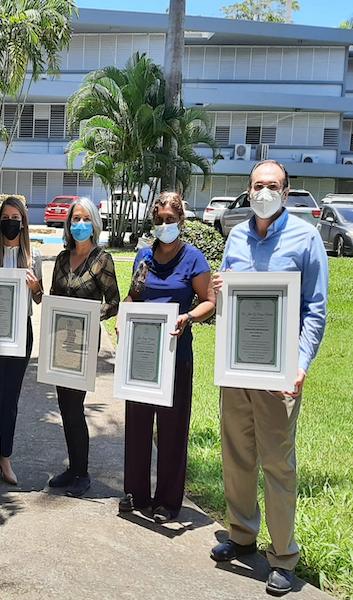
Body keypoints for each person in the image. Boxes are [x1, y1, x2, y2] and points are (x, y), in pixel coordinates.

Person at [211, 160, 328, 596]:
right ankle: (241, 535)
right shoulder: (237, 236)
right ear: (248, 188)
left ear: (287, 190)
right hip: (238, 366)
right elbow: (226, 298)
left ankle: (283, 557)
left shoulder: (306, 238)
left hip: (280, 375)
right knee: (237, 453)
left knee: (278, 464)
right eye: (258, 185)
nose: (264, 191)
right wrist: (220, 290)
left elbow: (315, 309)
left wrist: (300, 364)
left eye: (272, 185)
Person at [119, 192, 215, 523]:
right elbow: (134, 295)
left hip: (176, 356)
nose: (164, 225)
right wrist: (123, 318)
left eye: (170, 220)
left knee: (173, 429)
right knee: (137, 422)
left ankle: (167, 502)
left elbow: (209, 301)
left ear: (181, 222)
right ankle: (135, 492)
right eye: (158, 220)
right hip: (142, 355)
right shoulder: (143, 258)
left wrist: (188, 317)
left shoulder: (194, 259)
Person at [48, 197, 120, 497]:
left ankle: (83, 472)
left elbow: (113, 302)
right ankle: (72, 467)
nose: (80, 224)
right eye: (75, 219)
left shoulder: (102, 260)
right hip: (60, 339)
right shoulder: (63, 258)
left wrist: (90, 317)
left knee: (75, 406)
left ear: (94, 224)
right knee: (64, 406)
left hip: (85, 341)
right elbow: (53, 294)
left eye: (85, 219)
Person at [0, 197, 43, 490]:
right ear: (0, 221)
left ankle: (5, 457)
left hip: (21, 333)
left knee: (11, 400)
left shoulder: (34, 256)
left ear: (23, 221)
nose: (11, 221)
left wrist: (35, 287)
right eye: (6, 216)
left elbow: (39, 298)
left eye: (16, 216)